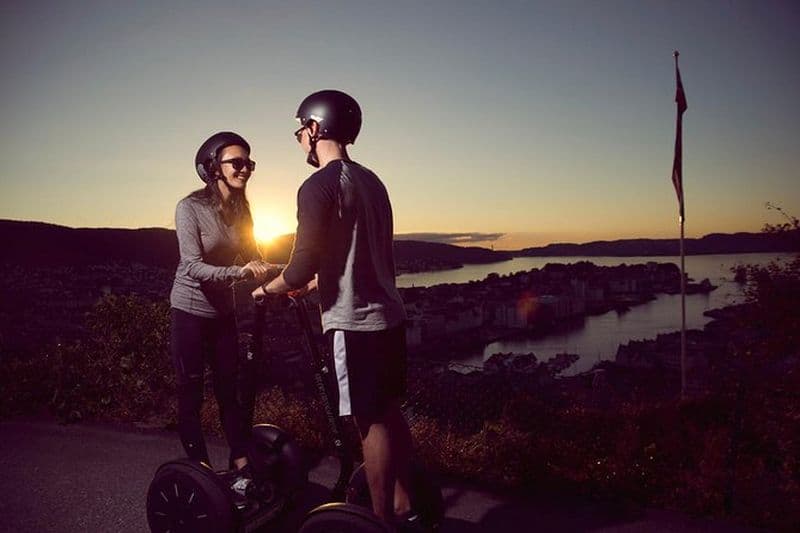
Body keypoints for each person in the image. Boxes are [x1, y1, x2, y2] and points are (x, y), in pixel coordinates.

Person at [255, 90, 417, 528]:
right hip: (389, 315)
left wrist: (271, 287)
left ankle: (379, 521)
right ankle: (405, 503)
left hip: (354, 321)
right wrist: (314, 284)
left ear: (314, 128)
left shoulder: (318, 185)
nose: (299, 140)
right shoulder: (371, 181)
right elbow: (353, 254)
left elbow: (302, 260)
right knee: (388, 411)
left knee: (370, 423)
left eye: (299, 130)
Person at [170, 131, 272, 502]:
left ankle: (241, 464)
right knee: (191, 392)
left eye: (249, 163)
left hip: (223, 312)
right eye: (237, 162)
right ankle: (201, 473)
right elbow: (192, 266)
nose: (245, 168)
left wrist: (285, 276)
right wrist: (240, 274)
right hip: (190, 310)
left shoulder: (242, 208)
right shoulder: (190, 207)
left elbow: (253, 254)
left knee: (231, 391)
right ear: (214, 168)